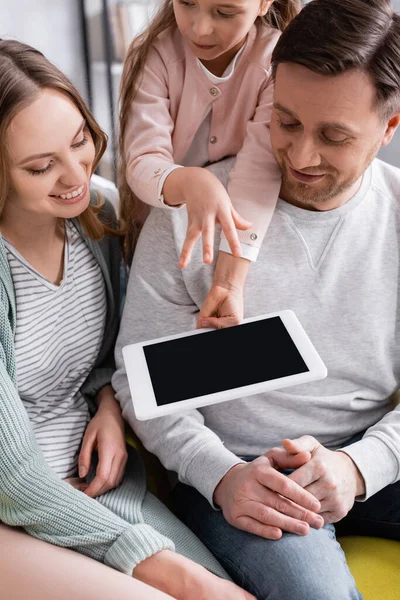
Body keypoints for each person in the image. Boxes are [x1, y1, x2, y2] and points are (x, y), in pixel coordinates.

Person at [113, 0, 400, 598]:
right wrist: (222, 478)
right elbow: (140, 381)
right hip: (243, 475)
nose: (300, 157)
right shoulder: (192, 214)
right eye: (287, 122)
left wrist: (359, 466)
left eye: (334, 136)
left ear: (389, 128)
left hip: (371, 454)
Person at [0, 39, 255, 600]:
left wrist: (112, 408)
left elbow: (118, 354)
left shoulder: (99, 212)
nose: (75, 175)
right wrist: (171, 572)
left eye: (79, 141)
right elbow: (14, 480)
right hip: (13, 507)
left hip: (95, 483)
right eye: (41, 166)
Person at [119, 0, 301, 330]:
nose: (200, 28)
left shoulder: (279, 59)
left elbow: (260, 169)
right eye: (187, 3)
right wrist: (191, 182)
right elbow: (142, 160)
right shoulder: (155, 54)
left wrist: (230, 281)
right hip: (157, 241)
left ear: (263, 4)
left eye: (225, 12)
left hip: (240, 241)